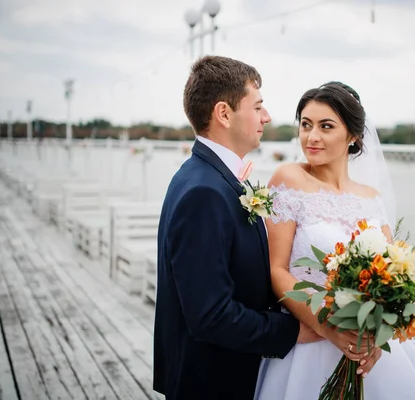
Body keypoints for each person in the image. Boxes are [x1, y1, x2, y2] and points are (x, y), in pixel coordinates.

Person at [153, 57, 380, 400]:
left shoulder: (214, 179)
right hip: (212, 380)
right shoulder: (203, 190)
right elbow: (209, 315)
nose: (268, 116)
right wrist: (297, 330)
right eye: (257, 106)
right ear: (224, 114)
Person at [255, 82, 415, 399]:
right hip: (310, 340)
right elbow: (277, 271)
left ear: (353, 135)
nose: (311, 136)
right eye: (306, 125)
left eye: (326, 126)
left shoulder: (372, 199)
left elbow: (389, 277)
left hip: (366, 347)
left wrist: (377, 337)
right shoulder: (288, 180)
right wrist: (329, 329)